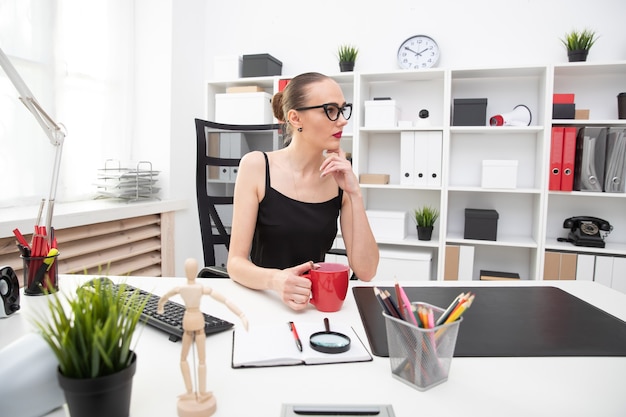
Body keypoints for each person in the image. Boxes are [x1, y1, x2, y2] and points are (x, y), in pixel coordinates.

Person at [227, 72, 379, 311]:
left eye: (342, 109)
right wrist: (276, 280)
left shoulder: (340, 178)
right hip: (263, 299)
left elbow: (367, 271)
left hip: (313, 306)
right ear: (295, 118)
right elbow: (235, 263)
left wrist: (355, 194)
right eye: (330, 110)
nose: (342, 120)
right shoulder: (256, 166)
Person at [157, 258, 248, 414]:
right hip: (197, 321)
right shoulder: (200, 288)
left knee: (185, 358)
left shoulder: (181, 288)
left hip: (188, 321)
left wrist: (160, 307)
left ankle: (192, 390)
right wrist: (240, 314)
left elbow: (165, 297)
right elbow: (224, 300)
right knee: (200, 359)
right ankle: (199, 391)